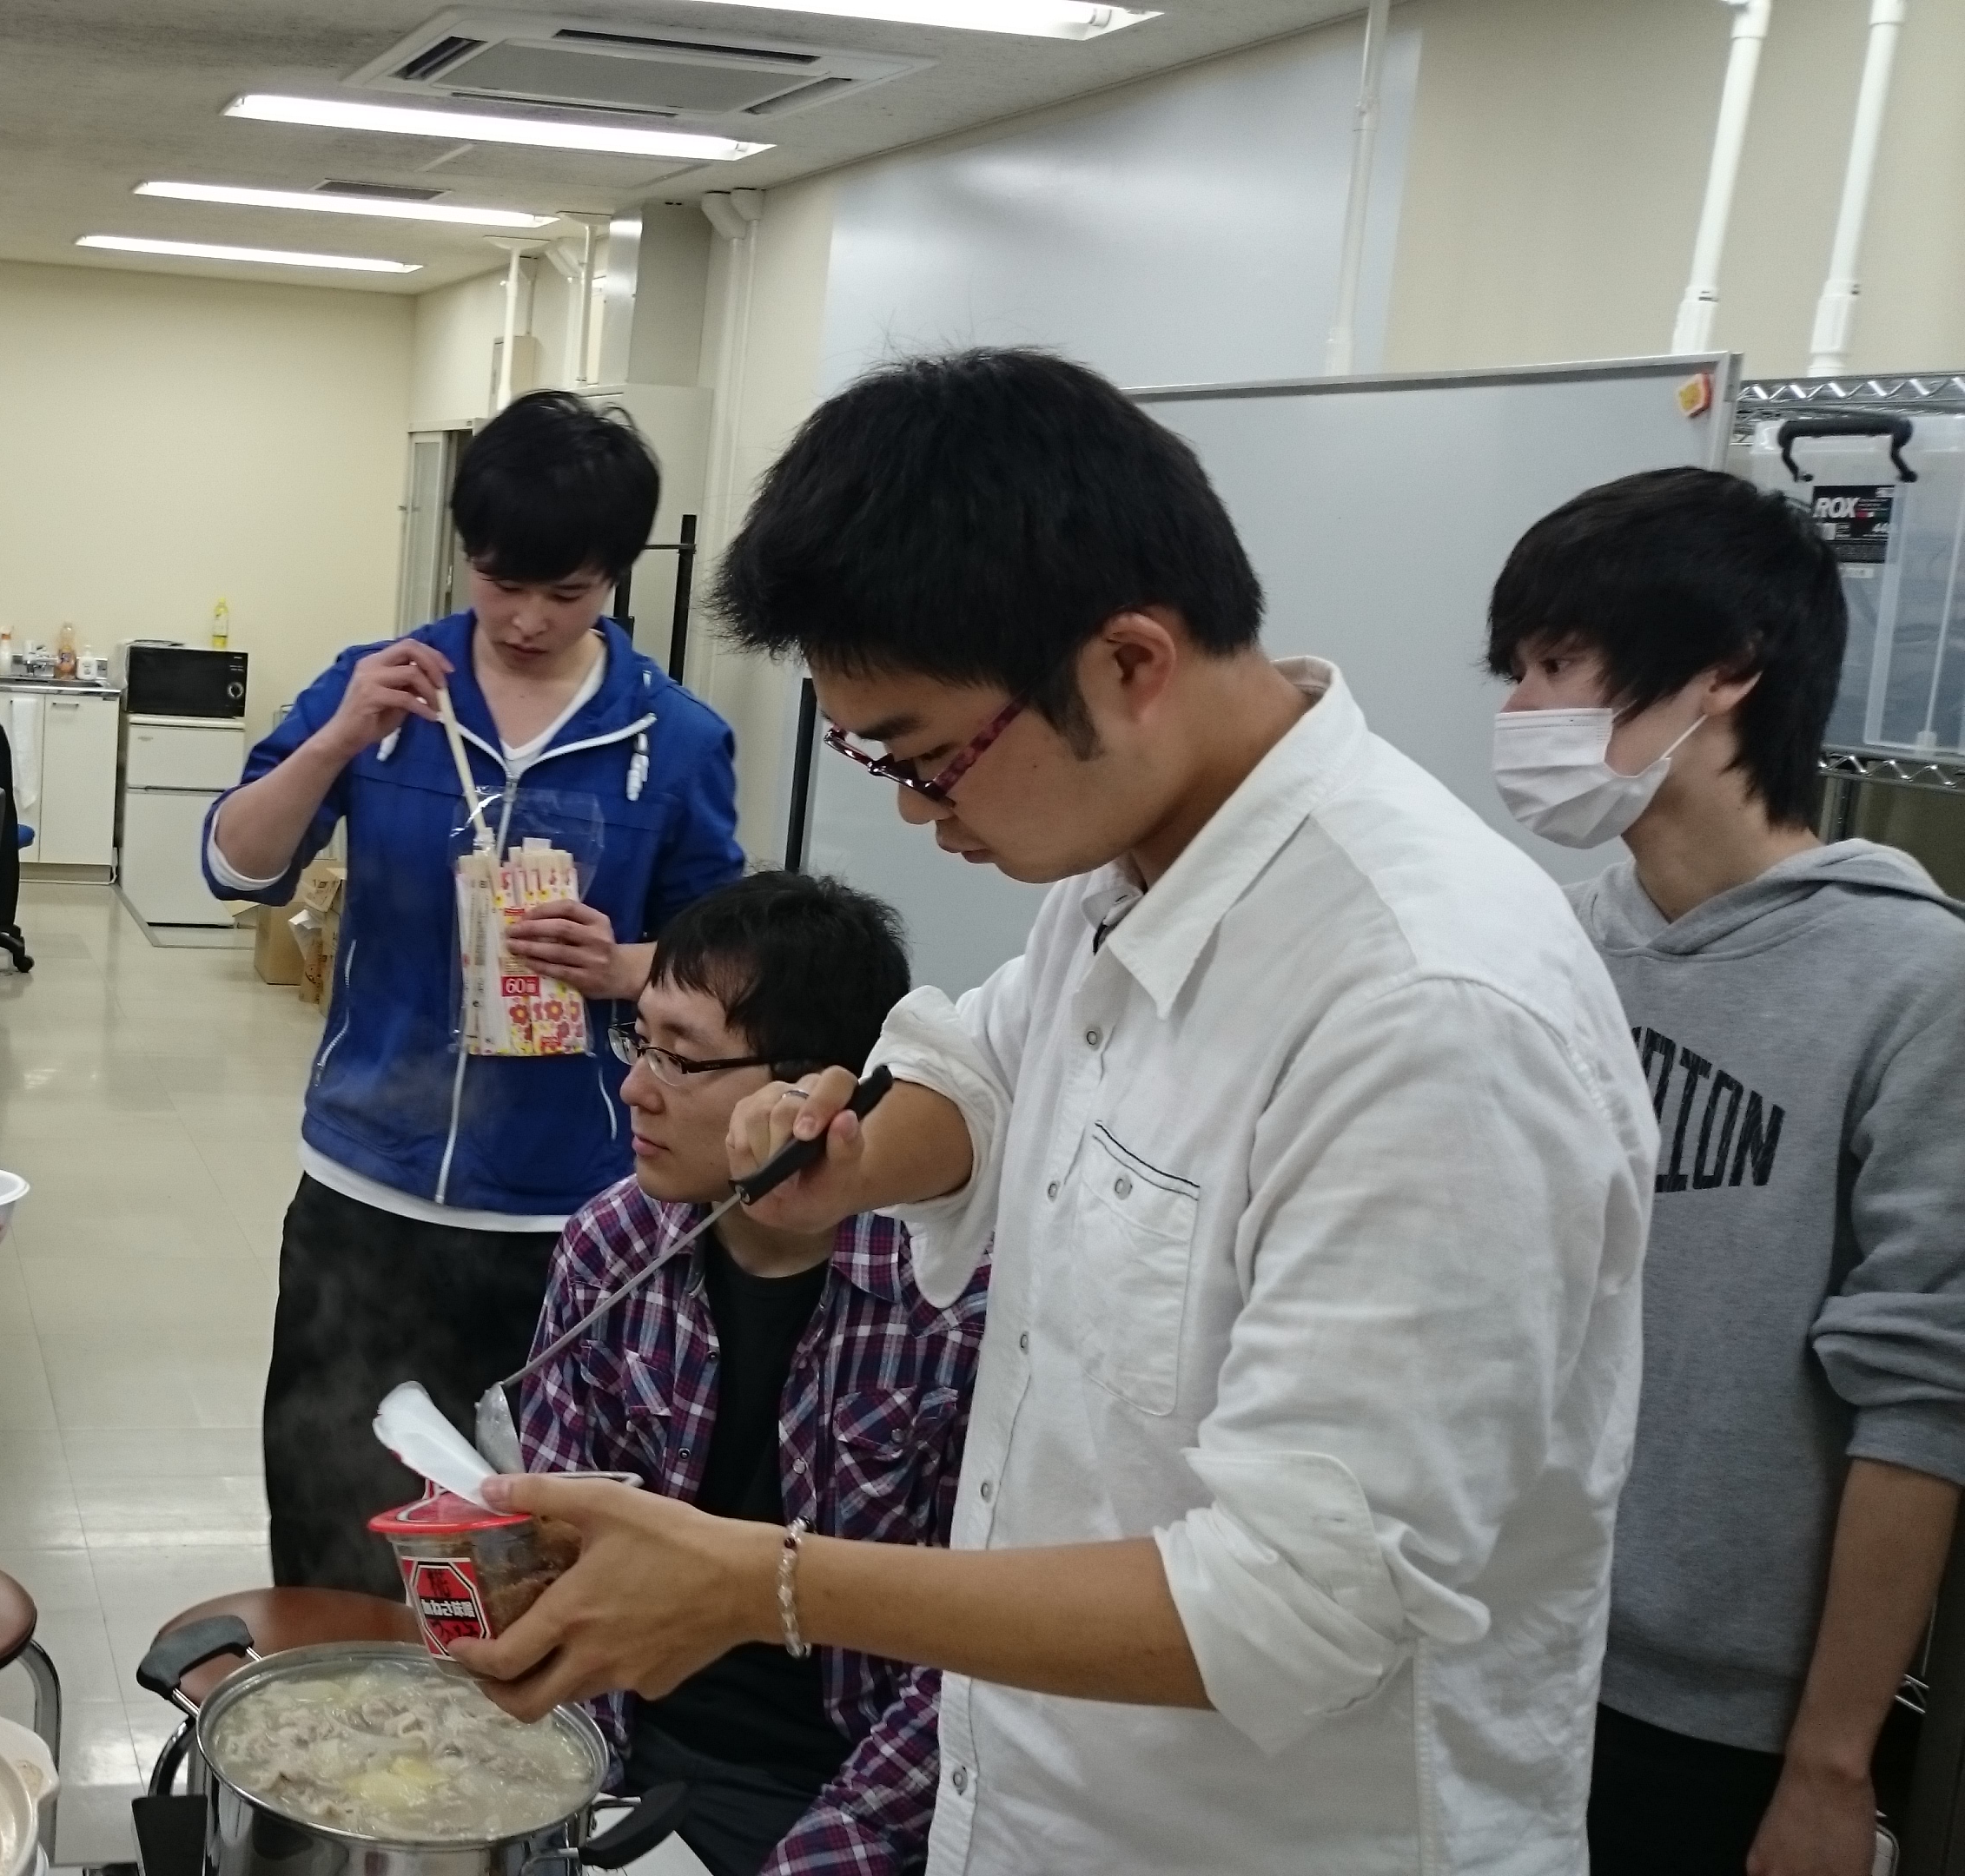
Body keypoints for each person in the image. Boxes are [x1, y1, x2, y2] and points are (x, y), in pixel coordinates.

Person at [452, 349, 1657, 1876]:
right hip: (1030, 1800)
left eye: (924, 754)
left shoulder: (1428, 1010)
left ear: (1129, 663)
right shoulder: (1131, 868)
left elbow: (1299, 1599)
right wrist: (859, 1159)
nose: (913, 809)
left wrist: (768, 1583)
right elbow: (991, 1066)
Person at [1485, 467, 1965, 1876]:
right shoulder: (1541, 945)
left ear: (1728, 670)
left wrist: (1830, 1763)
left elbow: (1923, 1391)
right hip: (1496, 1648)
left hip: (1724, 1723)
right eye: (1517, 672)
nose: (1524, 713)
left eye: (1561, 663)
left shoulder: (1914, 978)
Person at [205, 389, 745, 1595]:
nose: (529, 618)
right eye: (504, 582)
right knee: (333, 1519)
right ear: (465, 552)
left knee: (528, 1546)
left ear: (617, 576)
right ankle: (332, 1711)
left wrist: (622, 966)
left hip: (565, 1217)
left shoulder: (672, 739)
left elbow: (717, 962)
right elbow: (237, 864)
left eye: (570, 592)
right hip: (368, 1192)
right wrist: (336, 739)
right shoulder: (383, 693)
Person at [516, 871, 982, 1876]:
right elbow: (558, 1552)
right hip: (627, 1747)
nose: (636, 1089)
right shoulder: (611, 1247)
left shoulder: (954, 1303)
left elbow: (971, 1667)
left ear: (812, 1092)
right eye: (639, 1042)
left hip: (860, 1786)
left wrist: (821, 1853)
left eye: (681, 1059)